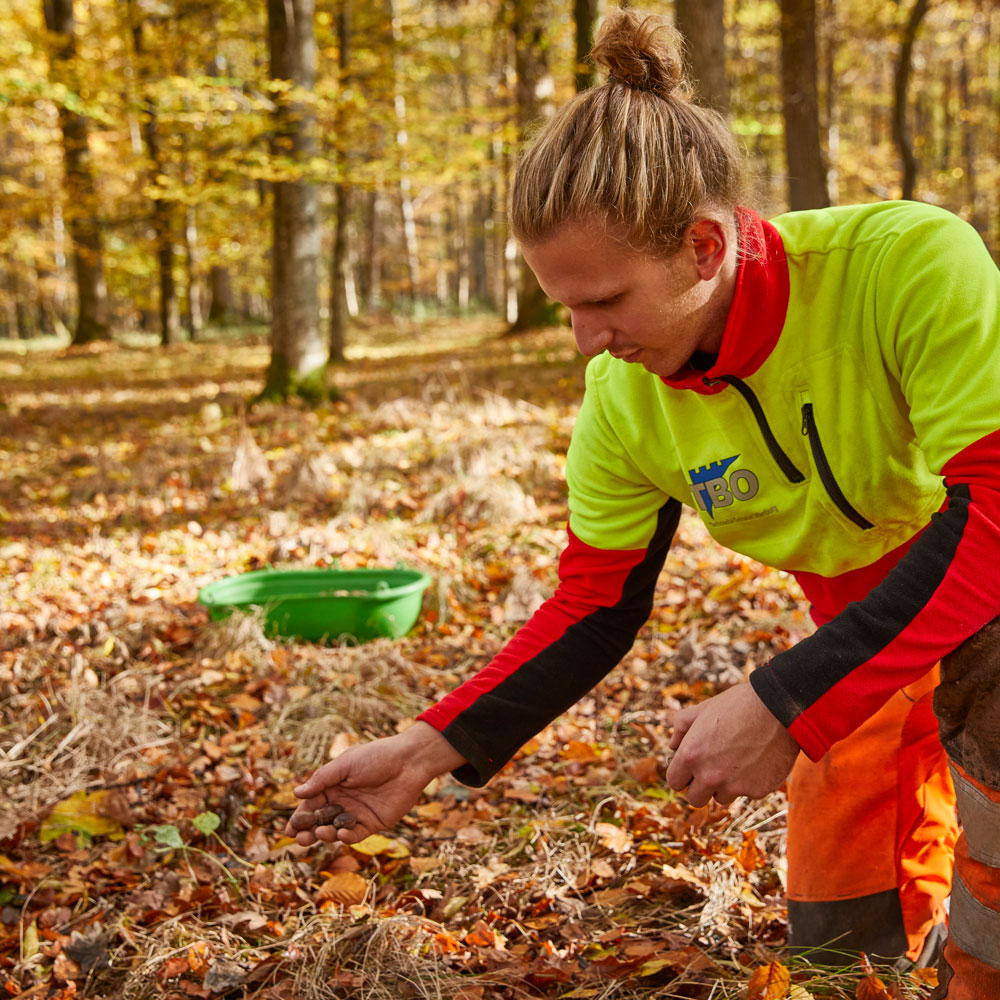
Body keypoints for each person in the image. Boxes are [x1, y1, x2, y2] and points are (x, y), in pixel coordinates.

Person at [287, 10, 1000, 997]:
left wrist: (783, 703)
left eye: (606, 301)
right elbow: (593, 604)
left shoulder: (902, 266)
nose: (585, 339)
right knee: (838, 921)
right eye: (564, 307)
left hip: (983, 584)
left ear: (704, 247)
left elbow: (995, 514)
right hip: (857, 627)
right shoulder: (622, 403)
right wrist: (426, 746)